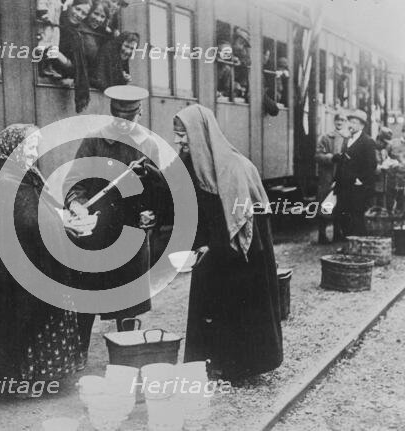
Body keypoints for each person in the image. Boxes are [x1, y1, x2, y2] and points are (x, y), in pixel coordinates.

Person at [0, 124, 89, 393]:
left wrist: (61, 217)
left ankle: (37, 375)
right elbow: (25, 221)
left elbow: (37, 209)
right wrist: (58, 222)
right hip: (16, 270)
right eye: (29, 147)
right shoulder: (5, 178)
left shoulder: (24, 174)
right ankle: (19, 380)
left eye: (36, 147)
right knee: (18, 322)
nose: (34, 153)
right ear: (13, 148)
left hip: (31, 261)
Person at [175, 104, 282, 382]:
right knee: (209, 303)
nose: (178, 141)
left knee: (240, 302)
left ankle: (244, 365)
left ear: (198, 134)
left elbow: (244, 222)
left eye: (182, 135)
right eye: (176, 135)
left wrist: (216, 244)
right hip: (212, 246)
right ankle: (212, 362)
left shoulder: (236, 168)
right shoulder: (190, 164)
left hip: (243, 253)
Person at [64, 85, 164, 364]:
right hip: (94, 234)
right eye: (117, 116)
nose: (122, 123)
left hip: (131, 234)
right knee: (86, 301)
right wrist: (75, 204)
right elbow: (75, 182)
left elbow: (158, 192)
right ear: (111, 112)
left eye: (128, 117)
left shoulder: (148, 144)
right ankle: (77, 359)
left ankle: (127, 360)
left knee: (128, 303)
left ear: (139, 113)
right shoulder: (94, 140)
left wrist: (152, 214)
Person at [333, 109, 377, 236]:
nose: (351, 125)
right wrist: (337, 180)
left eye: (354, 122)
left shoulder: (367, 141)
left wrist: (360, 180)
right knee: (343, 215)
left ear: (362, 125)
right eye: (350, 122)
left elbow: (371, 165)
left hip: (357, 187)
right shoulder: (347, 140)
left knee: (356, 216)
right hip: (343, 186)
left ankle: (357, 246)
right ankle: (350, 244)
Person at [314, 112, 348, 243]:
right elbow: (317, 155)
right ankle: (322, 235)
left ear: (346, 123)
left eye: (343, 120)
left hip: (342, 176)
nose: (340, 122)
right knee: (324, 204)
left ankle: (337, 233)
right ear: (334, 122)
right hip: (327, 177)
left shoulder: (348, 139)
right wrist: (331, 157)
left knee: (339, 205)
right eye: (338, 120)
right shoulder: (326, 137)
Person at [54, 0, 92, 113]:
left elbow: (78, 67)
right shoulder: (57, 21)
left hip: (65, 79)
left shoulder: (77, 35)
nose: (79, 15)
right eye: (78, 9)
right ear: (70, 6)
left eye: (84, 13)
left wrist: (61, 58)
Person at [387, 121, 405, 218]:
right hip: (393, 180)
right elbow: (386, 158)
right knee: (391, 208)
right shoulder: (393, 143)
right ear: (402, 131)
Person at [80, 0, 110, 79]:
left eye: (102, 16)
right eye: (96, 14)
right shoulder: (78, 28)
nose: (98, 19)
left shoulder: (104, 36)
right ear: (89, 12)